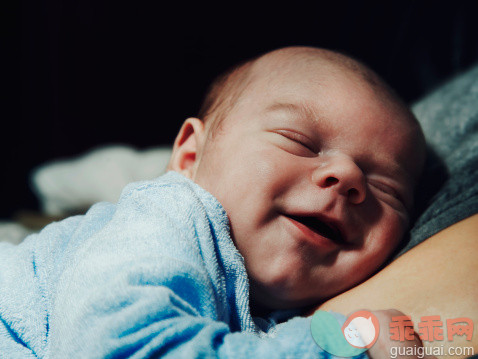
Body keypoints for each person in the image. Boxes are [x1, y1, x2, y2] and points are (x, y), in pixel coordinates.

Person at [0, 46, 428, 358]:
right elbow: (119, 348)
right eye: (300, 142)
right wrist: (346, 346)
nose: (350, 178)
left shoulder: (284, 318)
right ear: (189, 157)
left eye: (386, 188)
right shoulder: (166, 219)